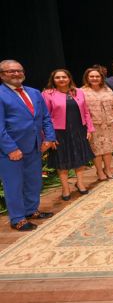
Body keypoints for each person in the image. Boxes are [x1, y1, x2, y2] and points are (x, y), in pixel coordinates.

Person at [0, 60, 56, 231]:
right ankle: (17, 218)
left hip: (35, 146)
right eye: (11, 71)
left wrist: (49, 138)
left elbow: (45, 118)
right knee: (14, 185)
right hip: (11, 151)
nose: (16, 74)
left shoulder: (34, 92)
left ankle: (31, 210)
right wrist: (10, 148)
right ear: (2, 75)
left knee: (34, 182)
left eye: (19, 70)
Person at [43, 69, 95, 200]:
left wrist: (89, 129)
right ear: (53, 80)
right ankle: (65, 188)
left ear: (69, 78)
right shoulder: (47, 94)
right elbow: (45, 117)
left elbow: (86, 111)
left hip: (79, 129)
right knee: (62, 161)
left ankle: (80, 183)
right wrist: (49, 137)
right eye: (58, 77)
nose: (61, 79)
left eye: (64, 77)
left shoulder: (78, 92)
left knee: (80, 158)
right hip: (59, 133)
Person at [82, 67, 113, 181]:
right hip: (93, 125)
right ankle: (99, 172)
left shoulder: (107, 89)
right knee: (97, 150)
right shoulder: (82, 91)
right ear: (87, 78)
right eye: (92, 76)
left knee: (108, 149)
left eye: (97, 76)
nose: (95, 78)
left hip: (108, 124)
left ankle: (108, 170)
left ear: (101, 78)